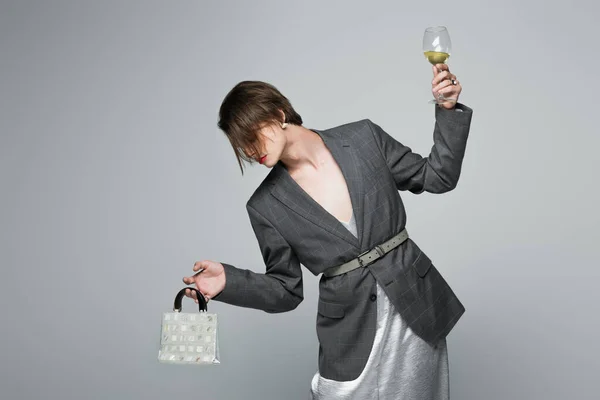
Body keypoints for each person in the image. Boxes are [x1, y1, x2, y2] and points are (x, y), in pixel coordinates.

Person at [182, 63, 473, 399]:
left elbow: (436, 177)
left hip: (415, 305)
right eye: (240, 146)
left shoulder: (362, 138)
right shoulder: (265, 206)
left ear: (278, 114)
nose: (249, 151)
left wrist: (447, 110)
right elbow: (285, 290)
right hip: (351, 328)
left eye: (251, 137)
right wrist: (228, 283)